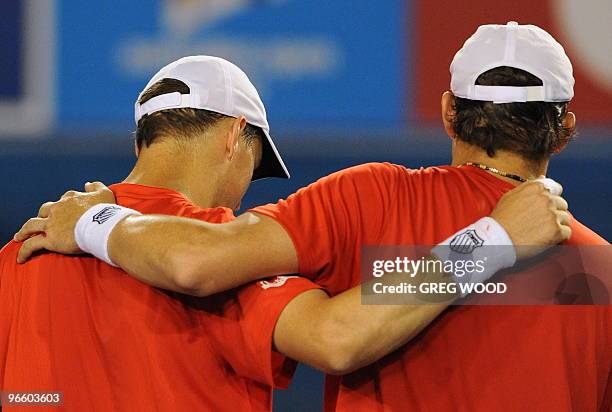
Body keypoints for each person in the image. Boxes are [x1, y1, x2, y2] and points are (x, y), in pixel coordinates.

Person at [13, 23, 605, 411]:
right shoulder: (600, 274)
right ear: (567, 126)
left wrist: (93, 223)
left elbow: (202, 263)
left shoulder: (370, 197)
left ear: (449, 112)